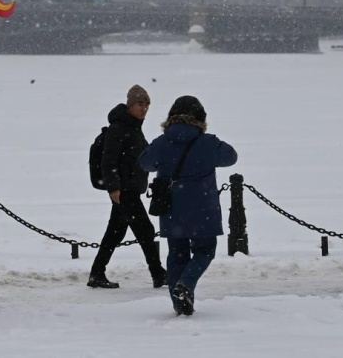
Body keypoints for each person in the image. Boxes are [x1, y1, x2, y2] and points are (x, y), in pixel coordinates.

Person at [139, 95, 237, 316]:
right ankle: (187, 283)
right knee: (205, 250)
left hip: (172, 208)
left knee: (177, 254)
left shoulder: (162, 141)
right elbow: (231, 157)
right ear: (200, 117)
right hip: (203, 207)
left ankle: (178, 300)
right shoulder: (208, 142)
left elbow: (145, 162)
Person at [88, 84, 166, 289]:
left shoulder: (134, 128)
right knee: (145, 230)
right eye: (140, 104)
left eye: (147, 105)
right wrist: (114, 188)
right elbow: (109, 160)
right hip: (124, 190)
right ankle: (158, 273)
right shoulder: (118, 128)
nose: (144, 109)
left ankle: (97, 273)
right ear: (130, 105)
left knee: (115, 231)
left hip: (129, 188)